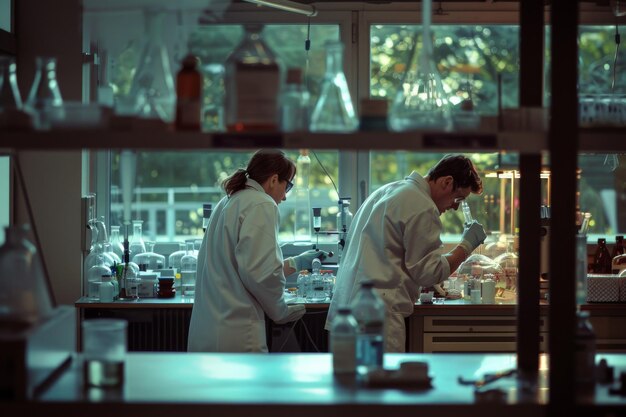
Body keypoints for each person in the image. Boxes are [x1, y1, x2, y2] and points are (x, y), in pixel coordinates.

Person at [326, 154, 486, 352]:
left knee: (351, 380)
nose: (455, 207)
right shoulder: (422, 206)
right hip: (379, 316)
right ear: (447, 182)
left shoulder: (390, 190)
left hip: (347, 312)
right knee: (382, 381)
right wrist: (466, 246)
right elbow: (429, 273)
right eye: (458, 198)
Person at [188, 149, 327, 353]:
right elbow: (261, 275)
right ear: (273, 180)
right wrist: (281, 311)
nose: (285, 197)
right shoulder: (261, 203)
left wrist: (296, 263)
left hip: (209, 328)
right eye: (287, 186)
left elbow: (242, 265)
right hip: (237, 333)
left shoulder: (229, 201)